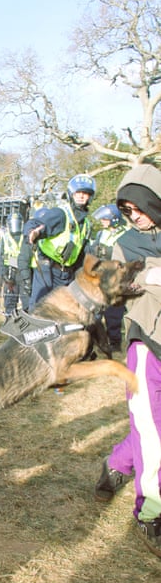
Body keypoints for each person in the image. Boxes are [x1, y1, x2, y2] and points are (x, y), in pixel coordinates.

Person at [94, 163, 161, 558]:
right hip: (146, 346)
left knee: (153, 431)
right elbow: (118, 284)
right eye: (126, 209)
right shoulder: (128, 243)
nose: (134, 215)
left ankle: (117, 464)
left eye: (139, 207)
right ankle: (150, 513)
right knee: (151, 433)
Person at [27, 174, 96, 311]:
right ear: (71, 194)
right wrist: (33, 232)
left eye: (86, 193)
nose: (82, 196)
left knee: (63, 310)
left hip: (67, 273)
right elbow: (35, 223)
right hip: (47, 269)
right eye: (78, 193)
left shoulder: (86, 224)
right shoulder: (60, 214)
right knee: (39, 308)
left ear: (90, 197)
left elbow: (83, 252)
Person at [88, 204, 128, 352]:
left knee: (113, 313)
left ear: (114, 219)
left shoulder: (125, 234)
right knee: (96, 310)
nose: (103, 221)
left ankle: (115, 342)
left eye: (105, 218)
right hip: (101, 277)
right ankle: (96, 340)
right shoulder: (101, 234)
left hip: (116, 280)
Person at [0, 212, 23, 316]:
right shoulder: (4, 237)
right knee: (10, 298)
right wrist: (3, 274)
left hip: (23, 269)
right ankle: (9, 316)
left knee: (26, 299)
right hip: (10, 270)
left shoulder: (24, 237)